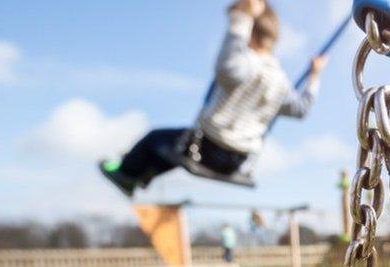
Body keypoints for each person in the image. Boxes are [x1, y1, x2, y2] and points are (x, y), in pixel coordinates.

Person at [99, 0, 328, 197]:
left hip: (208, 147)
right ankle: (143, 174)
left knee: (153, 139)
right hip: (238, 160)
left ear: (249, 31)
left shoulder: (246, 62)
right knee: (171, 151)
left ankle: (126, 174)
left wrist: (241, 18)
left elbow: (227, 68)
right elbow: (301, 109)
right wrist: (315, 77)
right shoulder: (281, 82)